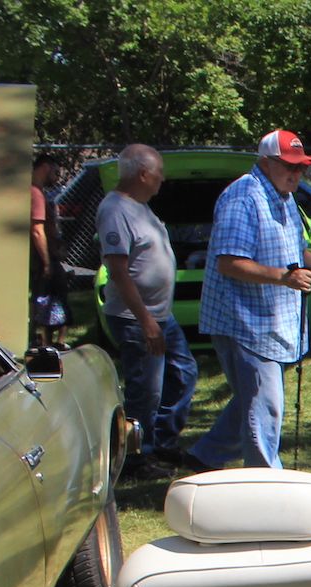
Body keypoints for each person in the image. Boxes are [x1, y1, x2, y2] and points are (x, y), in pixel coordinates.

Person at [189, 129, 311, 471]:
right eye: (289, 165)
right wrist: (284, 277)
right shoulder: (242, 198)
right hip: (243, 321)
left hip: (272, 321)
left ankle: (206, 455)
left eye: (301, 167)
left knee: (253, 399)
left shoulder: (285, 197)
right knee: (265, 406)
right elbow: (229, 262)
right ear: (266, 162)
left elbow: (301, 253)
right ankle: (266, 478)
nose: (297, 173)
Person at [99, 144, 198, 483]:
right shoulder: (115, 210)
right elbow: (118, 272)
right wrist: (145, 322)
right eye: (159, 173)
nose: (162, 179)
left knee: (183, 374)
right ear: (143, 174)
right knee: (145, 391)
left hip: (160, 315)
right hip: (136, 318)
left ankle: (162, 444)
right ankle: (133, 459)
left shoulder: (140, 207)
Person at [28, 154, 67, 347]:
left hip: (45, 256)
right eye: (56, 172)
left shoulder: (37, 192)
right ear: (45, 167)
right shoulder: (35, 193)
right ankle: (41, 341)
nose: (58, 178)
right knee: (47, 299)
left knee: (41, 298)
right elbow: (37, 230)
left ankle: (37, 338)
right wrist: (46, 262)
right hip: (40, 258)